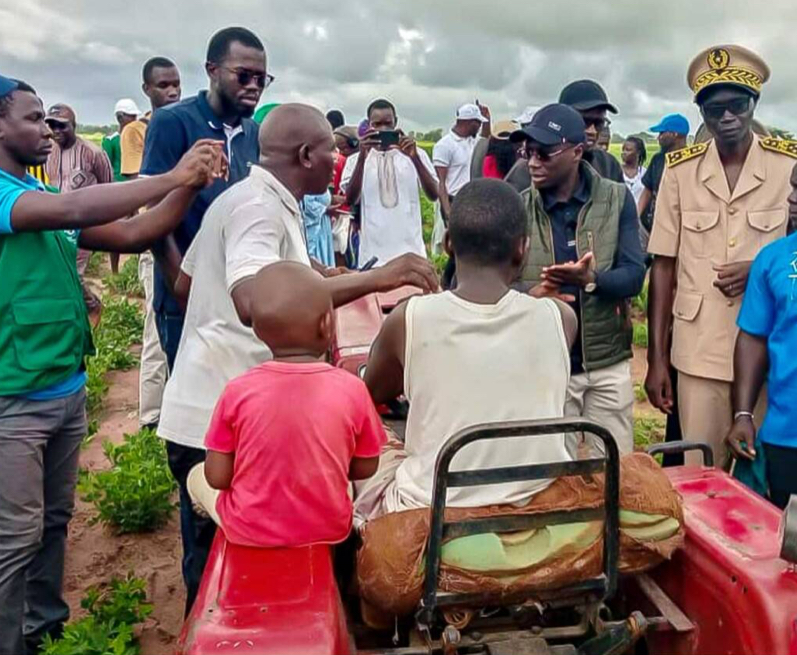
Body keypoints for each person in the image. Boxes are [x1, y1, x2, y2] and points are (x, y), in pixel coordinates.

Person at [156, 103, 438, 612]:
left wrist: (316, 276)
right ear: (307, 154)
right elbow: (253, 299)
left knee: (235, 561)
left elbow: (186, 283)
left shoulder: (247, 199)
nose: (337, 156)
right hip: (220, 418)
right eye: (331, 148)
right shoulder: (258, 210)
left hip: (219, 403)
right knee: (225, 573)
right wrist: (378, 278)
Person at [0, 74, 223, 655]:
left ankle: (43, 626)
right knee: (13, 536)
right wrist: (173, 174)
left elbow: (133, 230)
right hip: (12, 395)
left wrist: (187, 189)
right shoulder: (11, 195)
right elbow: (73, 205)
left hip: (63, 385)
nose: (47, 129)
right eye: (32, 118)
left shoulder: (32, 188)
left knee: (52, 521)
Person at [353, 178, 577, 524]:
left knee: (372, 450)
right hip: (533, 495)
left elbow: (373, 393)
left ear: (447, 245)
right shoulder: (561, 318)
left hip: (431, 506)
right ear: (523, 248)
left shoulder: (409, 318)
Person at [646, 45, 796, 466]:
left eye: (737, 106)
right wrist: (657, 359)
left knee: (765, 484)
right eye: (714, 110)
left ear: (754, 104)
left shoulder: (788, 168)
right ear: (701, 114)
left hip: (771, 350)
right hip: (700, 350)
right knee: (699, 476)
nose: (727, 118)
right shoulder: (679, 171)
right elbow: (663, 265)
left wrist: (759, 270)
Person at [187, 261, 386, 546]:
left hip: (249, 531)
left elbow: (217, 476)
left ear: (256, 329)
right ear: (326, 324)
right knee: (343, 483)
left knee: (196, 476)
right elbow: (366, 467)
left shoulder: (236, 391)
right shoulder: (352, 389)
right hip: (329, 527)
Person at [512, 104, 646, 454]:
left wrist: (592, 279)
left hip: (606, 362)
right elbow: (493, 284)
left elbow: (634, 275)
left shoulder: (617, 200)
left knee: (615, 470)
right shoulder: (517, 208)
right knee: (555, 477)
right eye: (528, 151)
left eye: (544, 152)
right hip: (546, 364)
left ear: (576, 151)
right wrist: (532, 292)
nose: (532, 161)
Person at [141, 27, 269, 373]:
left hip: (236, 295)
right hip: (186, 294)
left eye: (261, 79)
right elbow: (154, 213)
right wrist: (182, 288)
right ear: (213, 70)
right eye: (244, 76)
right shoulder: (173, 123)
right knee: (191, 402)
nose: (253, 86)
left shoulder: (253, 133)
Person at [724, 165, 797, 508]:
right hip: (786, 436)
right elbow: (753, 338)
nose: (792, 199)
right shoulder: (774, 259)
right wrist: (743, 415)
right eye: (793, 187)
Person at [120, 56, 182, 430]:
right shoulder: (141, 130)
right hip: (157, 242)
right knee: (155, 330)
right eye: (163, 85)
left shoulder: (182, 124)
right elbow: (137, 185)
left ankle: (172, 410)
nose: (172, 91)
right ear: (147, 89)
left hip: (180, 244)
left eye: (176, 84)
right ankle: (152, 415)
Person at [341, 98, 439, 266]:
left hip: (411, 254)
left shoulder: (416, 154)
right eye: (377, 124)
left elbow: (433, 194)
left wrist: (414, 158)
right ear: (369, 125)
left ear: (396, 123)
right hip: (373, 258)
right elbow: (350, 200)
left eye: (388, 123)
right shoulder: (356, 160)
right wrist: (363, 158)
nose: (383, 129)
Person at [45, 103, 114, 320]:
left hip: (84, 223)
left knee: (72, 271)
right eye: (52, 125)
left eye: (62, 126)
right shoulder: (48, 153)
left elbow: (108, 187)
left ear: (73, 126)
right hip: (57, 223)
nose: (56, 131)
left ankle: (85, 309)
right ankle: (84, 305)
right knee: (61, 269)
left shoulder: (93, 153)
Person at [433, 102, 490, 224]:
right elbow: (440, 183)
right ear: (468, 122)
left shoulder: (472, 141)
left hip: (471, 202)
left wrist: (487, 120)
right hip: (453, 201)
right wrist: (448, 212)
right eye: (478, 123)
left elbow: (485, 140)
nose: (480, 126)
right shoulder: (444, 145)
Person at [559, 80, 625, 184]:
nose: (592, 131)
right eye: (584, 121)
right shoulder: (540, 165)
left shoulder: (609, 165)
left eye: (599, 123)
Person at [102, 98, 141, 274]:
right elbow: (106, 167)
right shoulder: (111, 140)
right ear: (120, 118)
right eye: (130, 117)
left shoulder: (137, 135)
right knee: (117, 231)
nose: (134, 120)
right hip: (118, 190)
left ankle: (136, 268)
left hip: (137, 188)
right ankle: (115, 271)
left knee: (141, 228)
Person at [637, 114, 689, 232]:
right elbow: (648, 190)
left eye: (661, 133)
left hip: (679, 227)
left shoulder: (692, 160)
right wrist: (637, 215)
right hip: (652, 224)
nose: (658, 138)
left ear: (674, 134)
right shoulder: (658, 159)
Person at [621, 136, 647, 205]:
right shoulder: (616, 171)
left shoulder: (645, 174)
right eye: (623, 150)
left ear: (638, 153)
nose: (624, 153)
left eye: (628, 150)